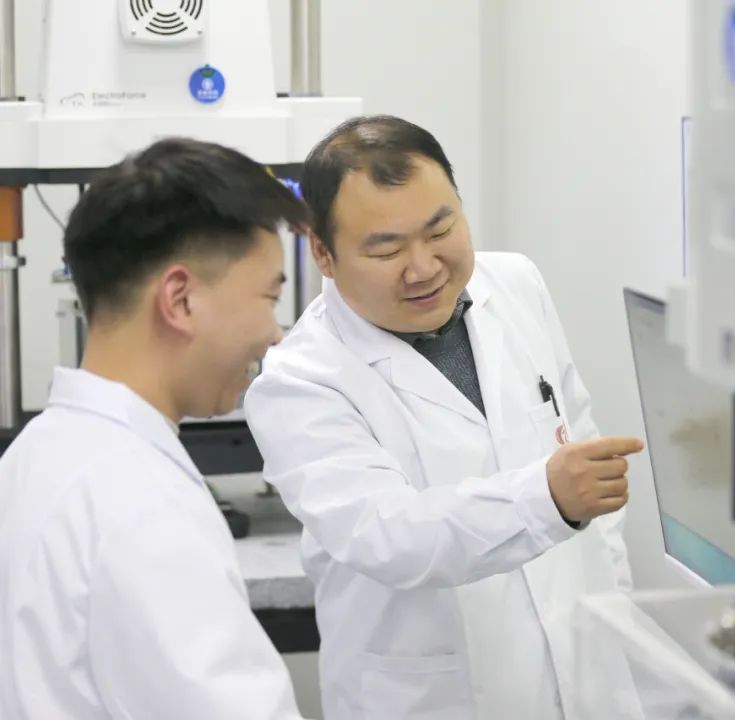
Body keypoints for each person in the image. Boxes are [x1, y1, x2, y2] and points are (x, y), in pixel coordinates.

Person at [244, 115, 645, 720]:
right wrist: (546, 499)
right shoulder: (299, 382)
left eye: (440, 229)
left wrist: (614, 608)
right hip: (431, 699)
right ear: (323, 254)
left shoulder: (515, 283)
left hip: (587, 677)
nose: (424, 267)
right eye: (386, 249)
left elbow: (584, 450)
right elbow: (390, 536)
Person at [0, 138, 310, 719]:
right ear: (180, 299)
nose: (274, 333)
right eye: (269, 297)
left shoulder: (31, 457)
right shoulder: (143, 501)